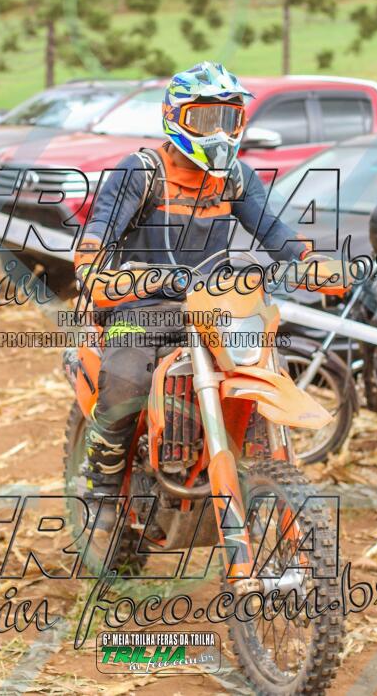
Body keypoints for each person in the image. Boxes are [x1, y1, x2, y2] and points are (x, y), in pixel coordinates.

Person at [73, 61, 309, 529]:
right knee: (126, 379)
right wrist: (93, 268)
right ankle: (101, 489)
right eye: (204, 119)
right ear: (173, 117)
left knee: (268, 360)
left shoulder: (235, 178)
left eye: (228, 119)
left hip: (214, 308)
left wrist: (314, 262)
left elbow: (274, 231)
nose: (218, 133)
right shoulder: (141, 172)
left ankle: (260, 465)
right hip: (141, 307)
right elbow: (99, 231)